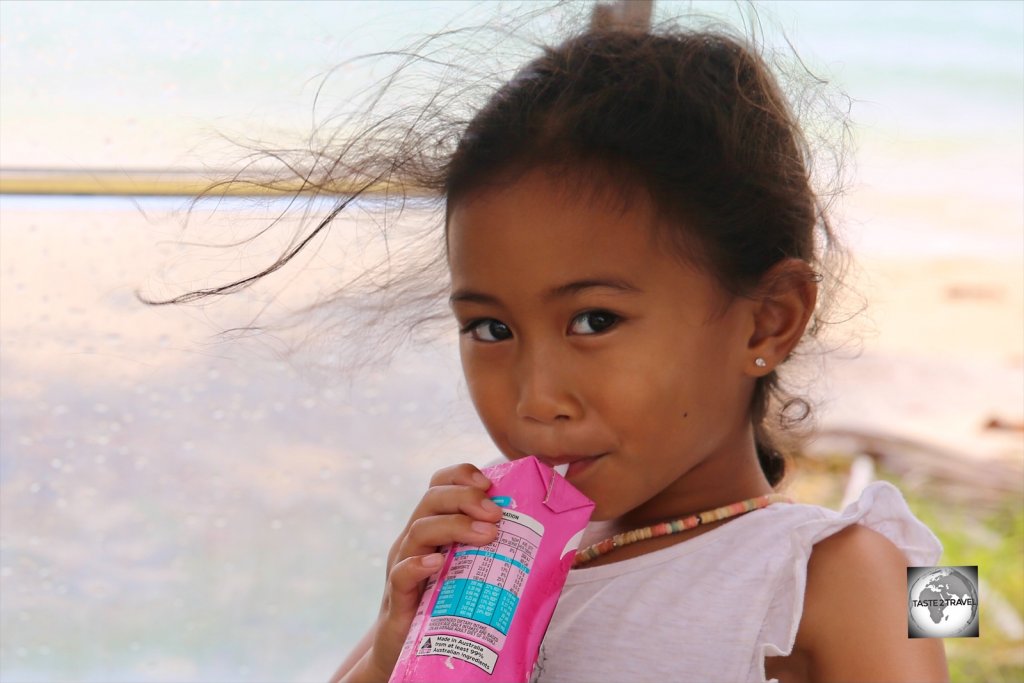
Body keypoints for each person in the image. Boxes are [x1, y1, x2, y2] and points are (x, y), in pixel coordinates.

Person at [149, 8, 948, 682]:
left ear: (767, 321)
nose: (534, 398)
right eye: (490, 329)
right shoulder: (479, 568)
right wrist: (398, 639)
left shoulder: (851, 569)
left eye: (593, 320)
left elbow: (941, 622)